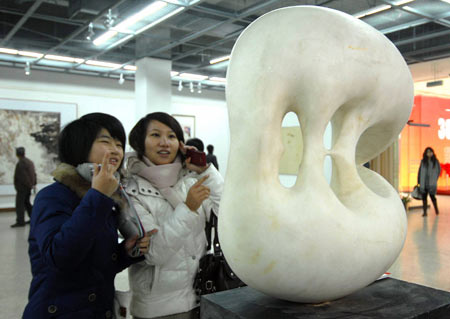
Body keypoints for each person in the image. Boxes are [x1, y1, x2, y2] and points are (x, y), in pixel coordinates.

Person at [23, 113, 155, 319]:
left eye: (120, 144)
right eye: (105, 141)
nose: (115, 150)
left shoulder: (107, 200)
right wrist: (99, 196)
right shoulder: (53, 196)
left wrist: (124, 252)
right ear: (79, 147)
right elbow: (60, 257)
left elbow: (95, 266)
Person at [124, 112, 223, 319]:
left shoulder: (188, 180)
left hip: (202, 294)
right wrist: (188, 208)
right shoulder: (131, 191)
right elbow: (153, 253)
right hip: (160, 309)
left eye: (171, 136)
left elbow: (228, 211)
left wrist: (206, 171)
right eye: (155, 135)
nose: (164, 143)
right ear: (140, 142)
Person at [11, 146, 36, 227]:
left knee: (19, 204)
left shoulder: (21, 163)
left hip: (23, 188)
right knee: (27, 203)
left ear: (17, 154)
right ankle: (34, 218)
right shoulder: (29, 162)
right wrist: (33, 185)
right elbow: (34, 174)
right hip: (28, 187)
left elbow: (24, 177)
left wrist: (29, 185)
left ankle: (20, 221)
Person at [418, 147, 441, 217]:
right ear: (425, 153)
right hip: (423, 183)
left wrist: (435, 179)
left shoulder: (435, 161)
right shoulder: (423, 161)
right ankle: (425, 212)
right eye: (428, 152)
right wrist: (419, 181)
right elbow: (419, 171)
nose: (429, 153)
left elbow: (439, 171)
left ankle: (436, 210)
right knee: (424, 197)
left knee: (432, 197)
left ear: (433, 153)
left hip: (431, 183)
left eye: (430, 152)